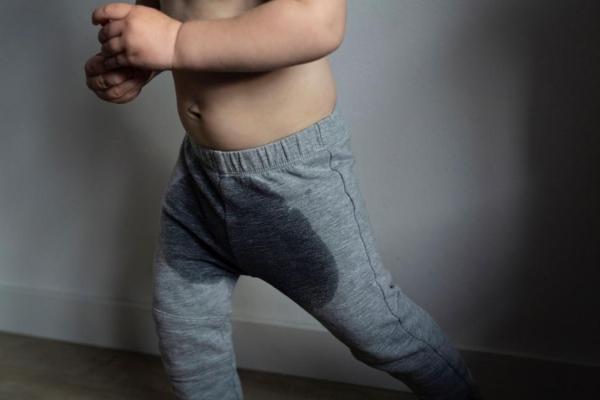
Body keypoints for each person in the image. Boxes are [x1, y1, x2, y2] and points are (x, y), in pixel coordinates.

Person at [84, 1, 483, 399]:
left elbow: (317, 22)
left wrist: (174, 41)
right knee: (186, 330)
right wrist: (136, 56)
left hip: (295, 187)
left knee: (378, 327)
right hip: (198, 180)